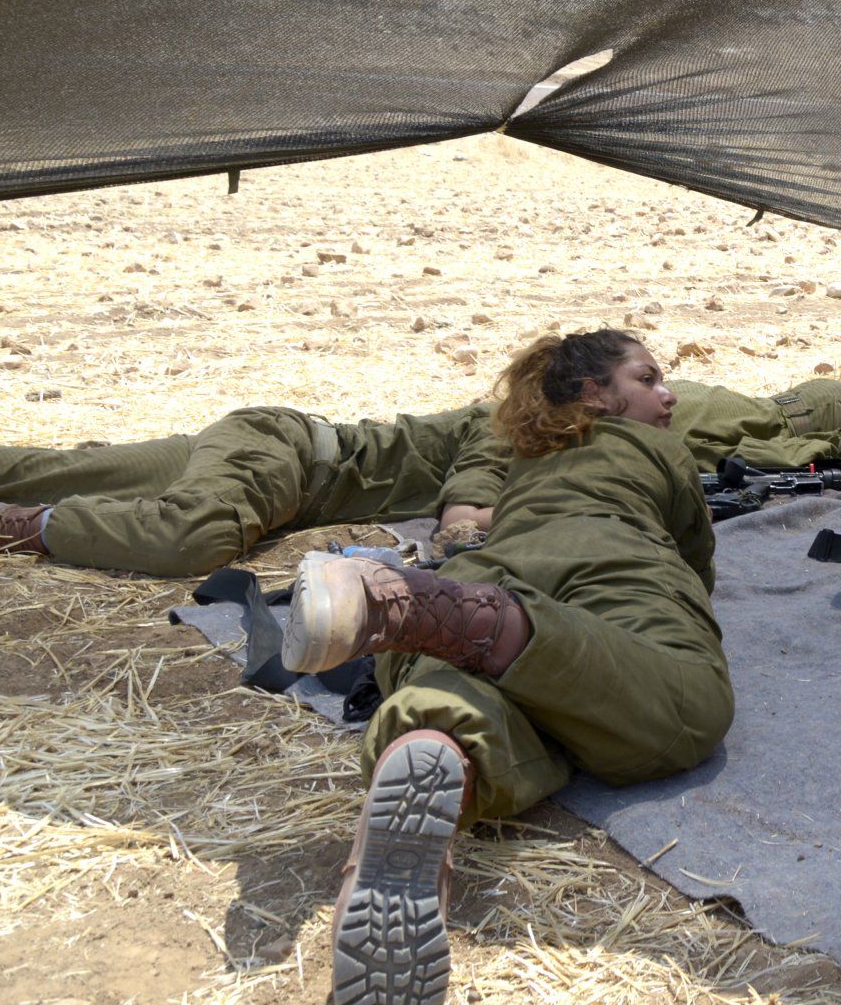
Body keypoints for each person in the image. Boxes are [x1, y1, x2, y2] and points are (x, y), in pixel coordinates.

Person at [280, 328, 732, 1005]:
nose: (667, 396)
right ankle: (483, 624)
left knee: (478, 696)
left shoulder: (527, 457)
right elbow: (696, 561)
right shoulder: (657, 446)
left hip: (485, 570)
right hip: (608, 561)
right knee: (686, 704)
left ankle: (437, 737)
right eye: (647, 379)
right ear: (594, 394)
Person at [0, 400, 508, 576]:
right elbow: (462, 525)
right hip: (287, 459)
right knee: (186, 537)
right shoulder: (507, 427)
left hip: (263, 446)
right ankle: (6, 525)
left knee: (57, 472)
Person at [668, 376, 841, 469]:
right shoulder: (666, 388)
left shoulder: (673, 439)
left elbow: (776, 456)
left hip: (827, 415)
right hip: (814, 399)